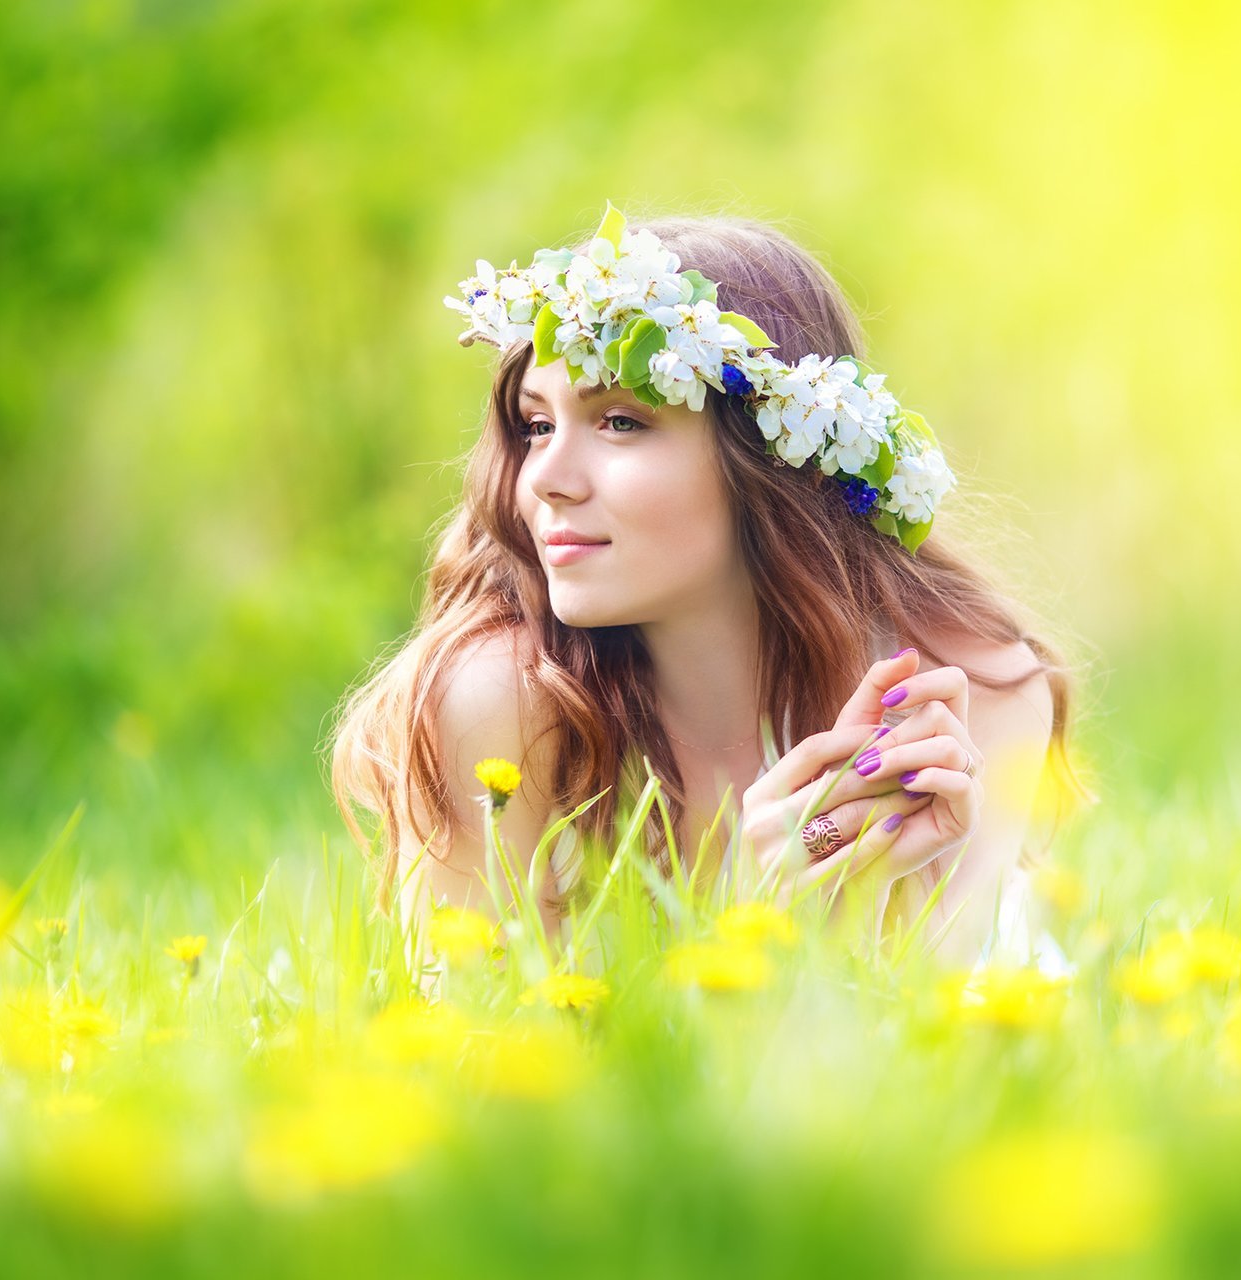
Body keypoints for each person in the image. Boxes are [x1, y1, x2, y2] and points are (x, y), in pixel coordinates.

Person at [329, 202, 1093, 971]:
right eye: (536, 427)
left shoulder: (967, 696)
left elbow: (945, 1058)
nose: (547, 480)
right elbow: (470, 1054)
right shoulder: (503, 705)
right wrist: (757, 927)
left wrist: (851, 915)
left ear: (770, 459)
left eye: (621, 422)